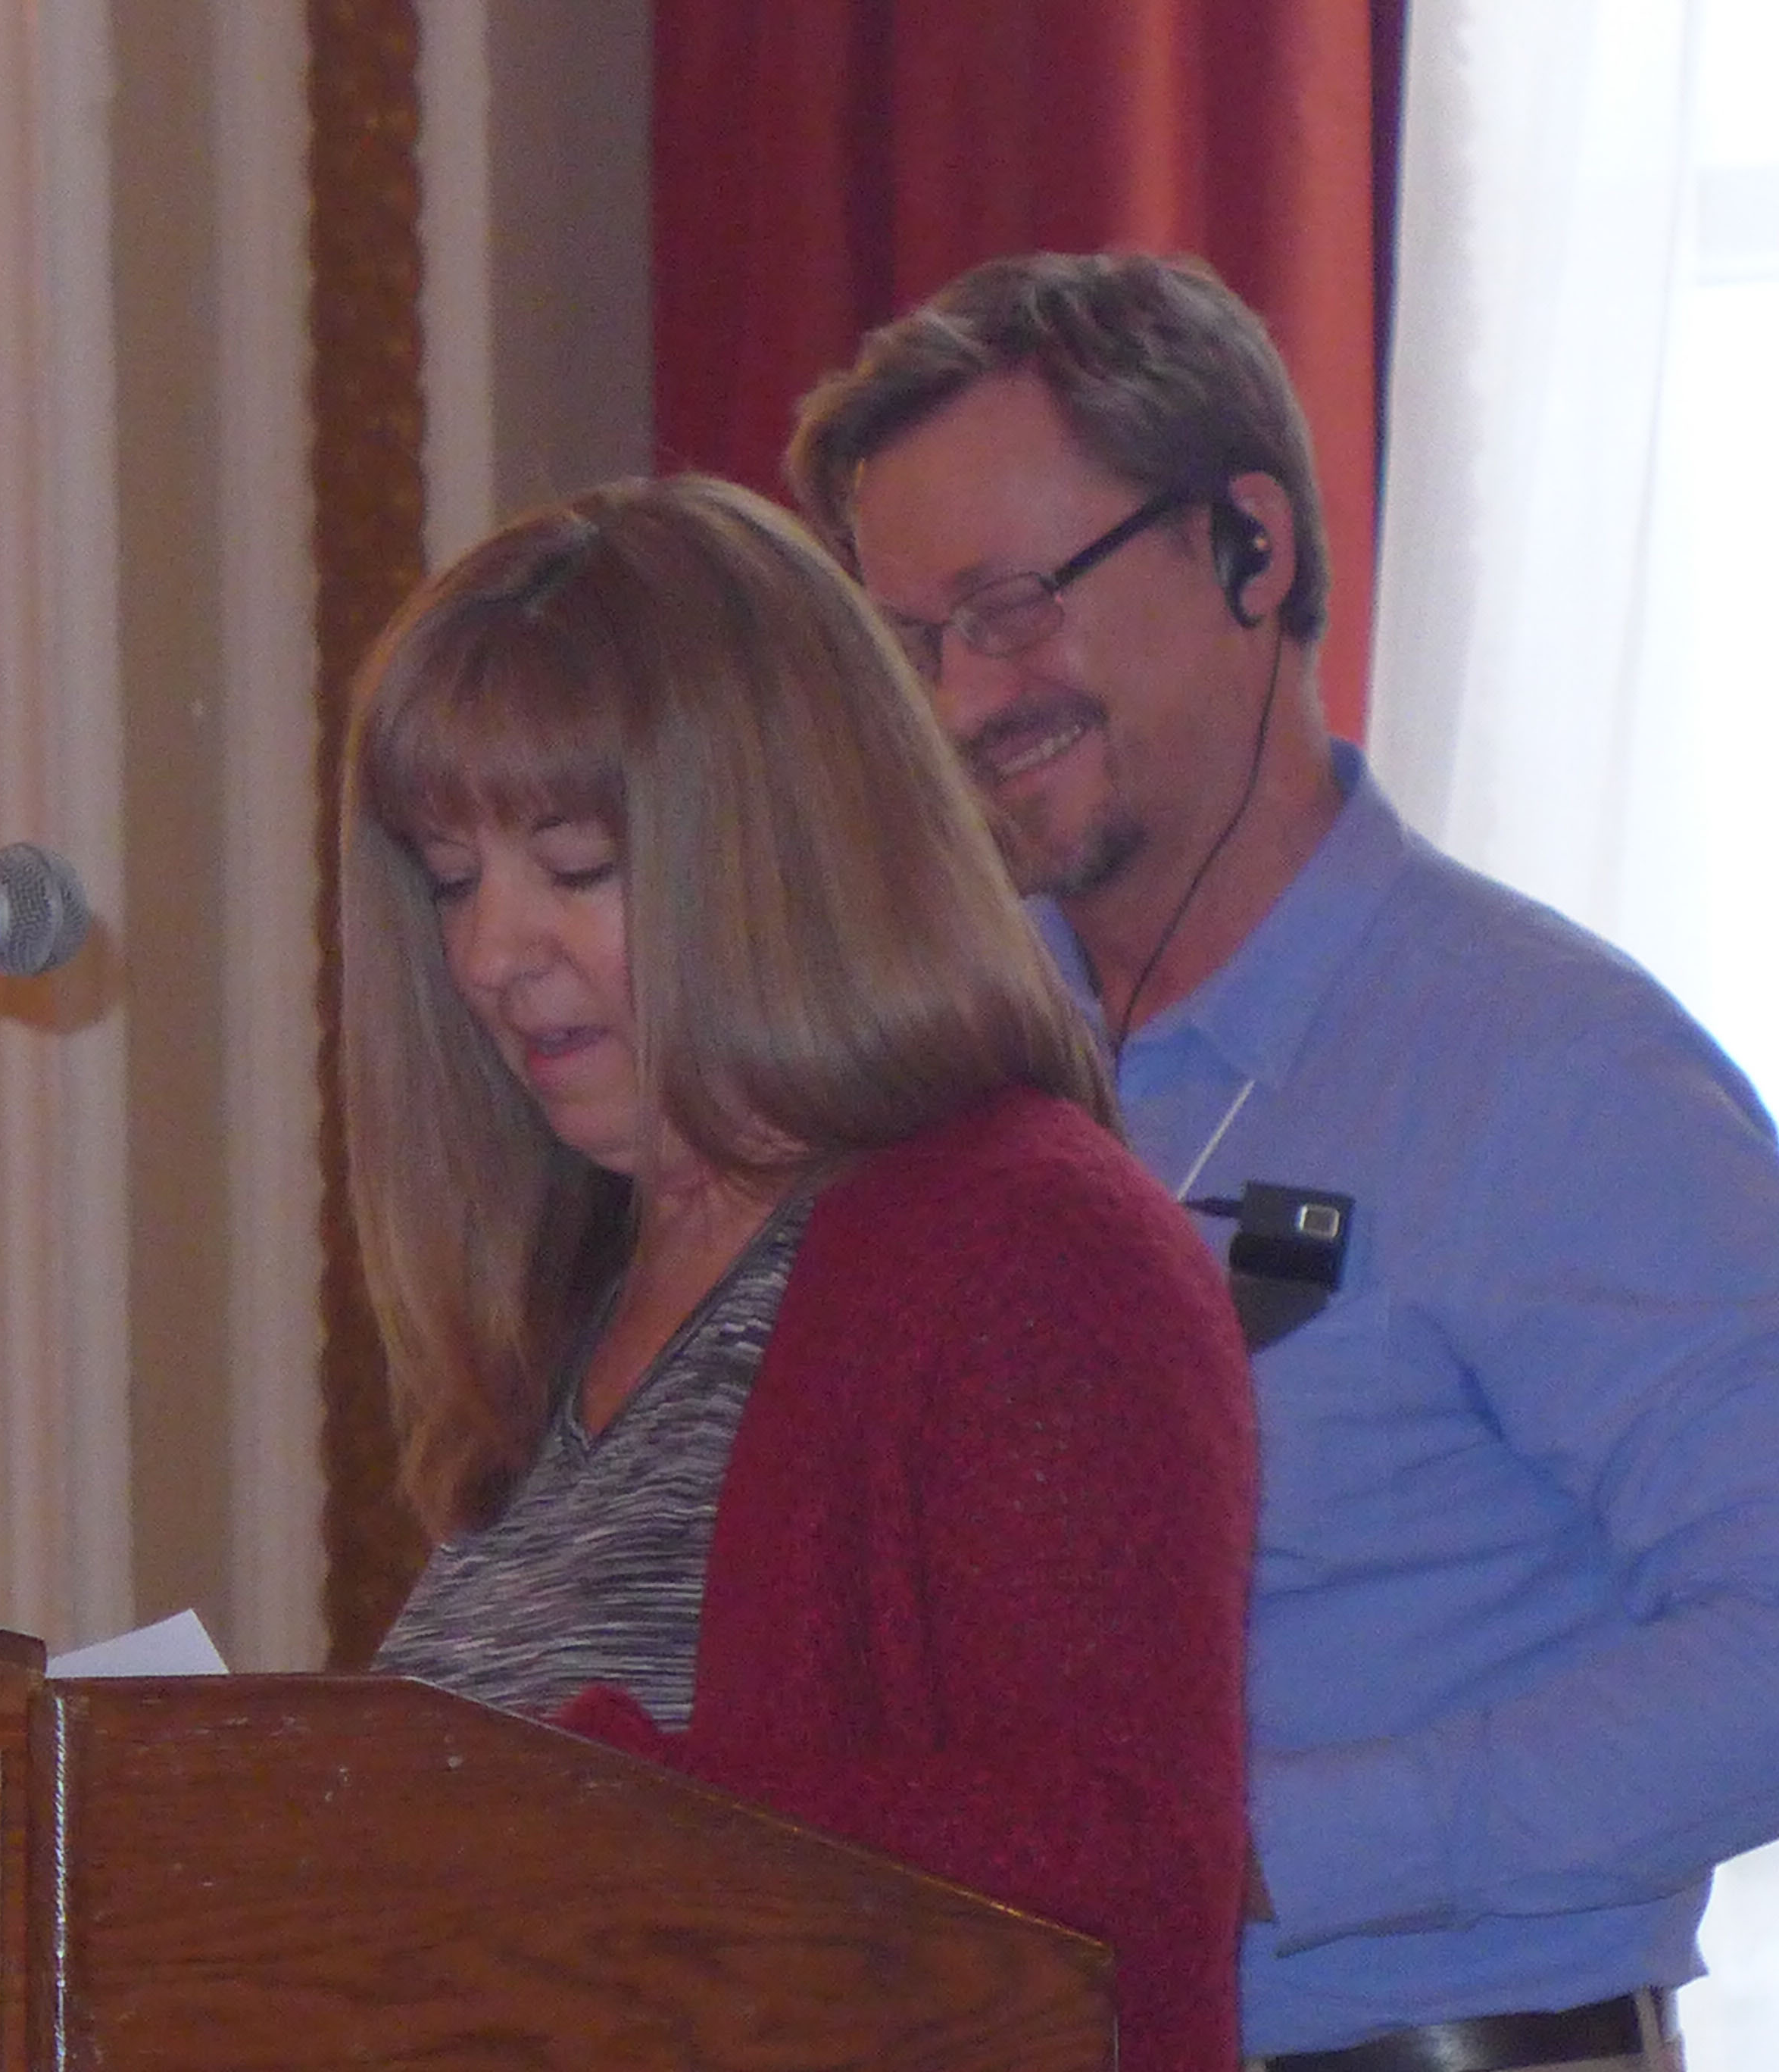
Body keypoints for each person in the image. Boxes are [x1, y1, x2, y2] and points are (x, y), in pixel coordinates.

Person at [788, 250, 1779, 2072]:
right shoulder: (950, 1093)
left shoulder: (1551, 1072)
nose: (957, 705)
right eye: (907, 643)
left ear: (1248, 546)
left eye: (1012, 608)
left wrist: (1259, 1852)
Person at [343, 473, 1258, 2072]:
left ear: (781, 845)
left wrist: (581, 1805)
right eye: (450, 877)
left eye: (574, 863)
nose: (494, 952)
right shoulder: (574, 1294)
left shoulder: (1029, 1250)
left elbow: (1128, 1878)